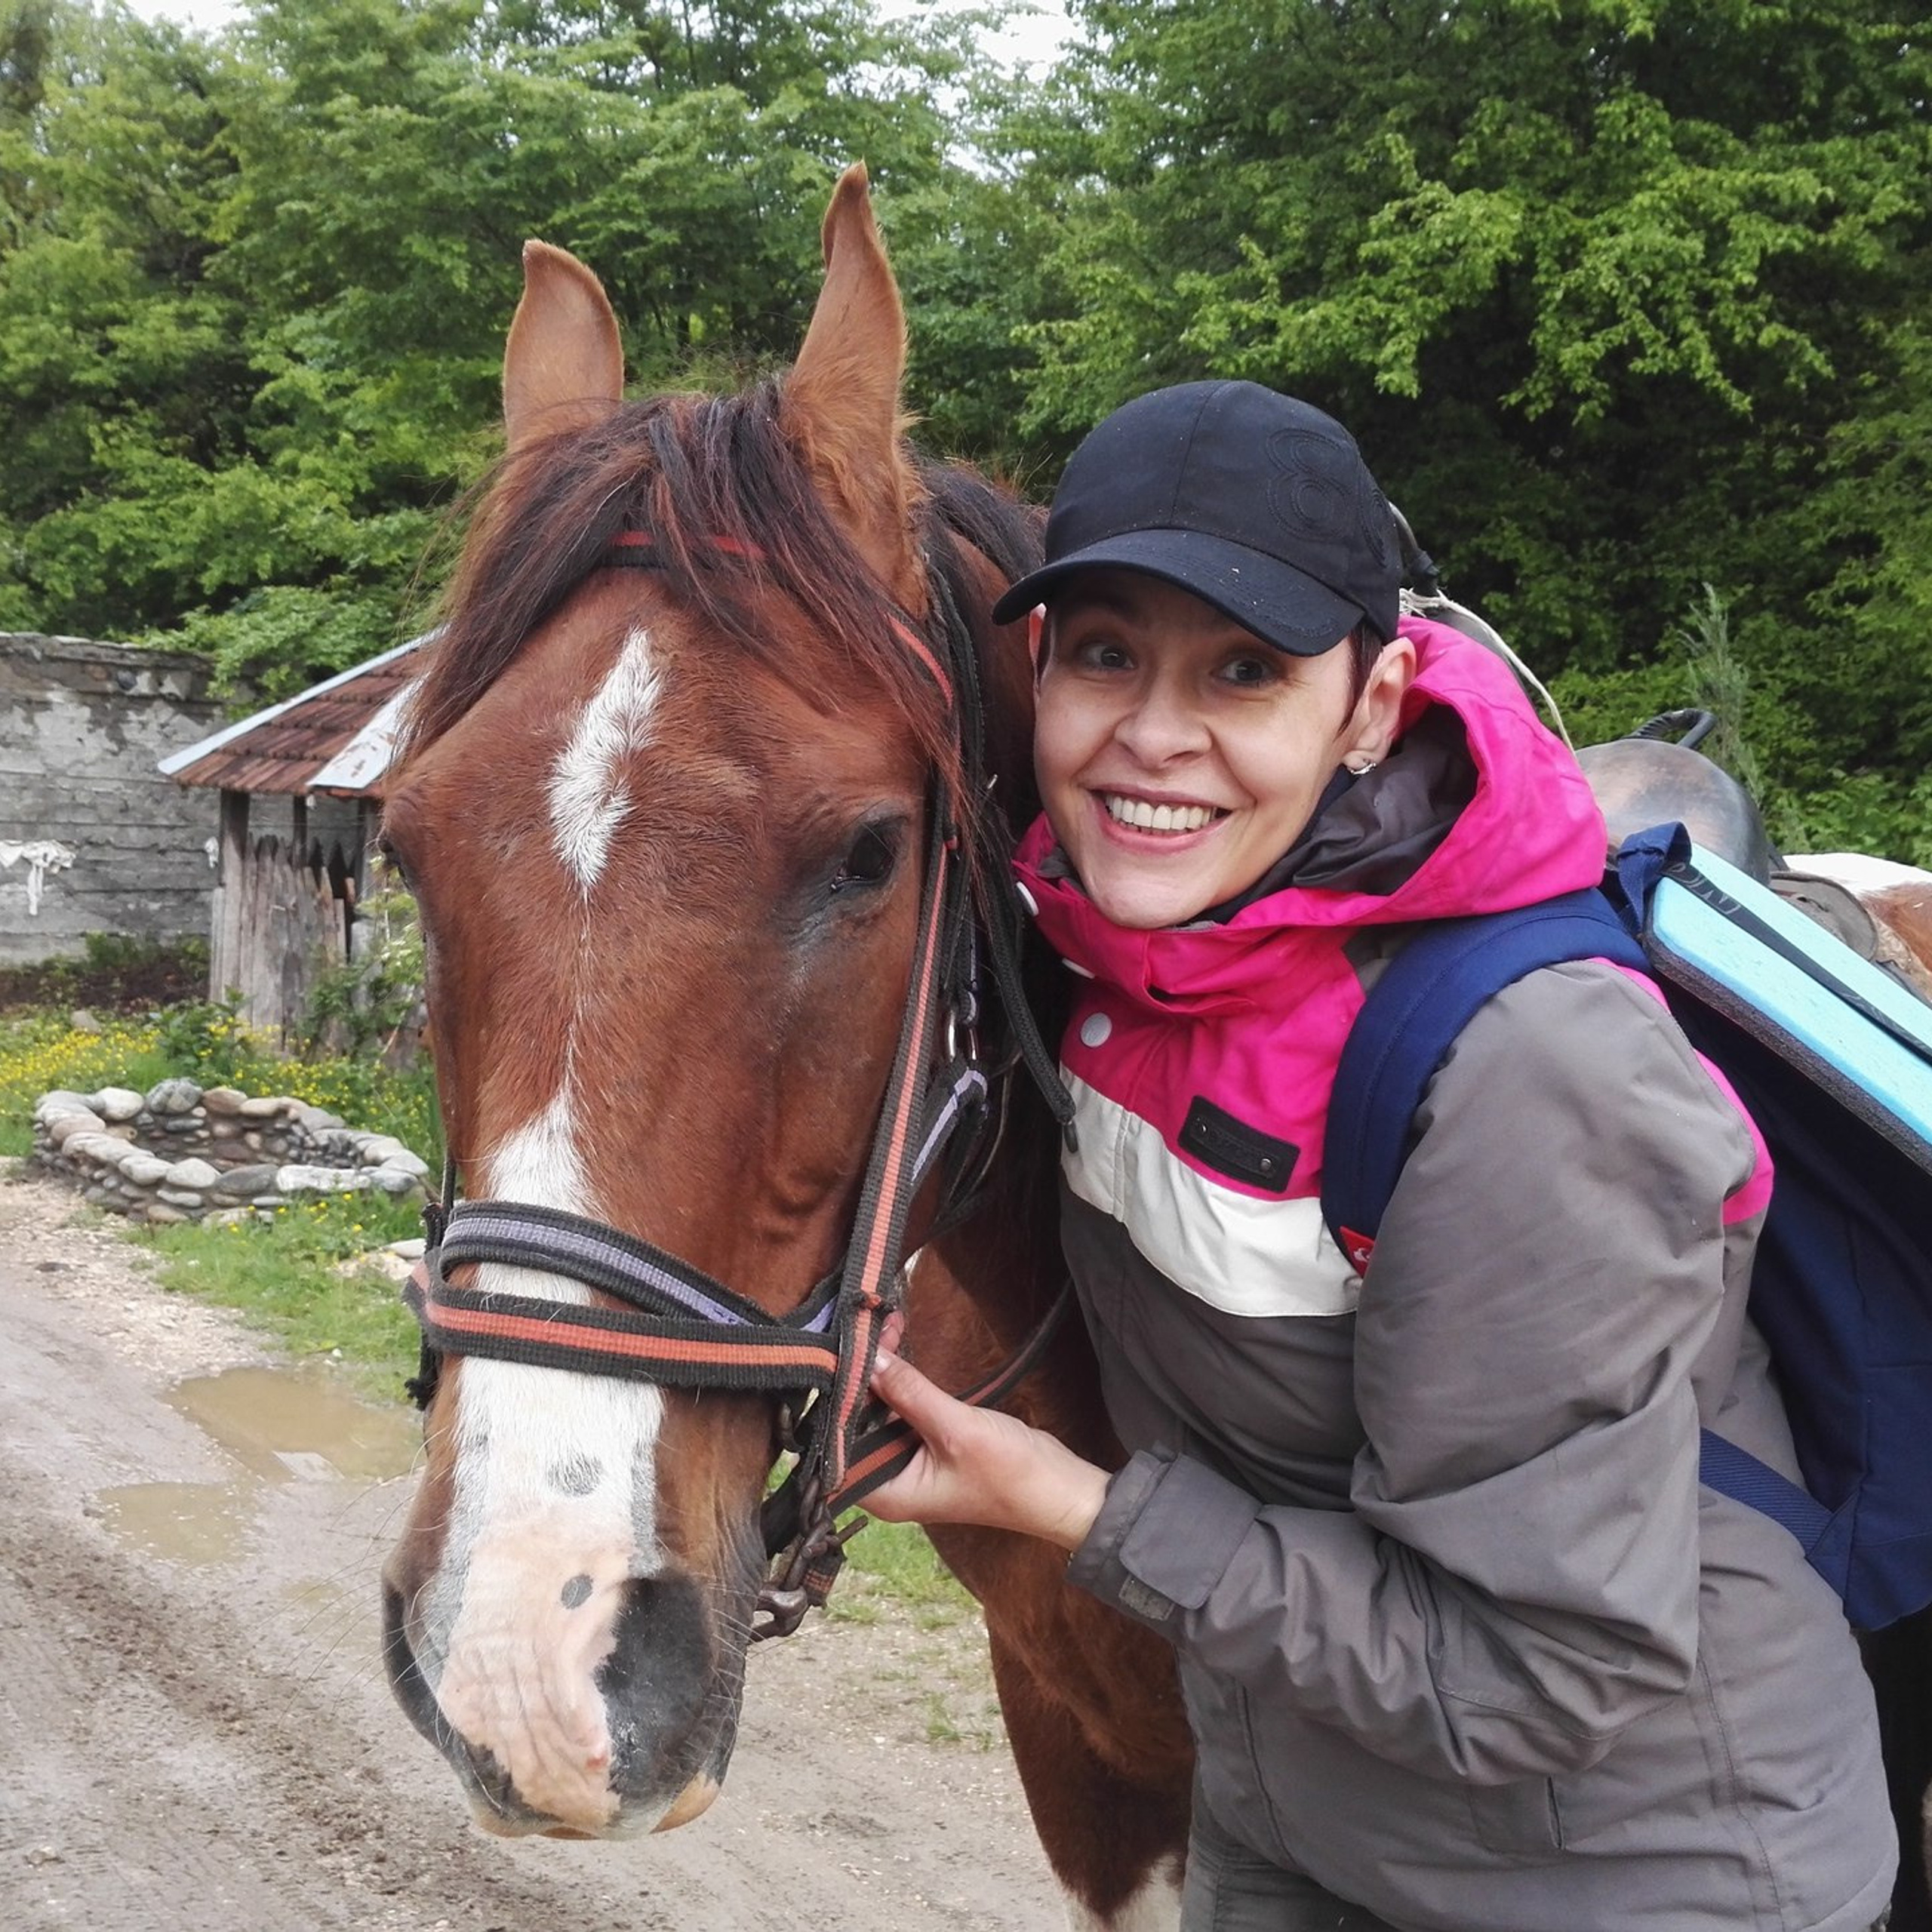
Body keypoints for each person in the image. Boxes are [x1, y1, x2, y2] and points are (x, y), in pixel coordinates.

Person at [863, 380, 1897, 1931]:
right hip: (1298, 1817)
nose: (1153, 734)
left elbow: (1533, 1671)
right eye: (1102, 653)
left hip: (1638, 1870)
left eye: (1243, 670)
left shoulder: (1528, 1069)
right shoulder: (1088, 959)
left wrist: (1077, 1509)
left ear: (1369, 701)